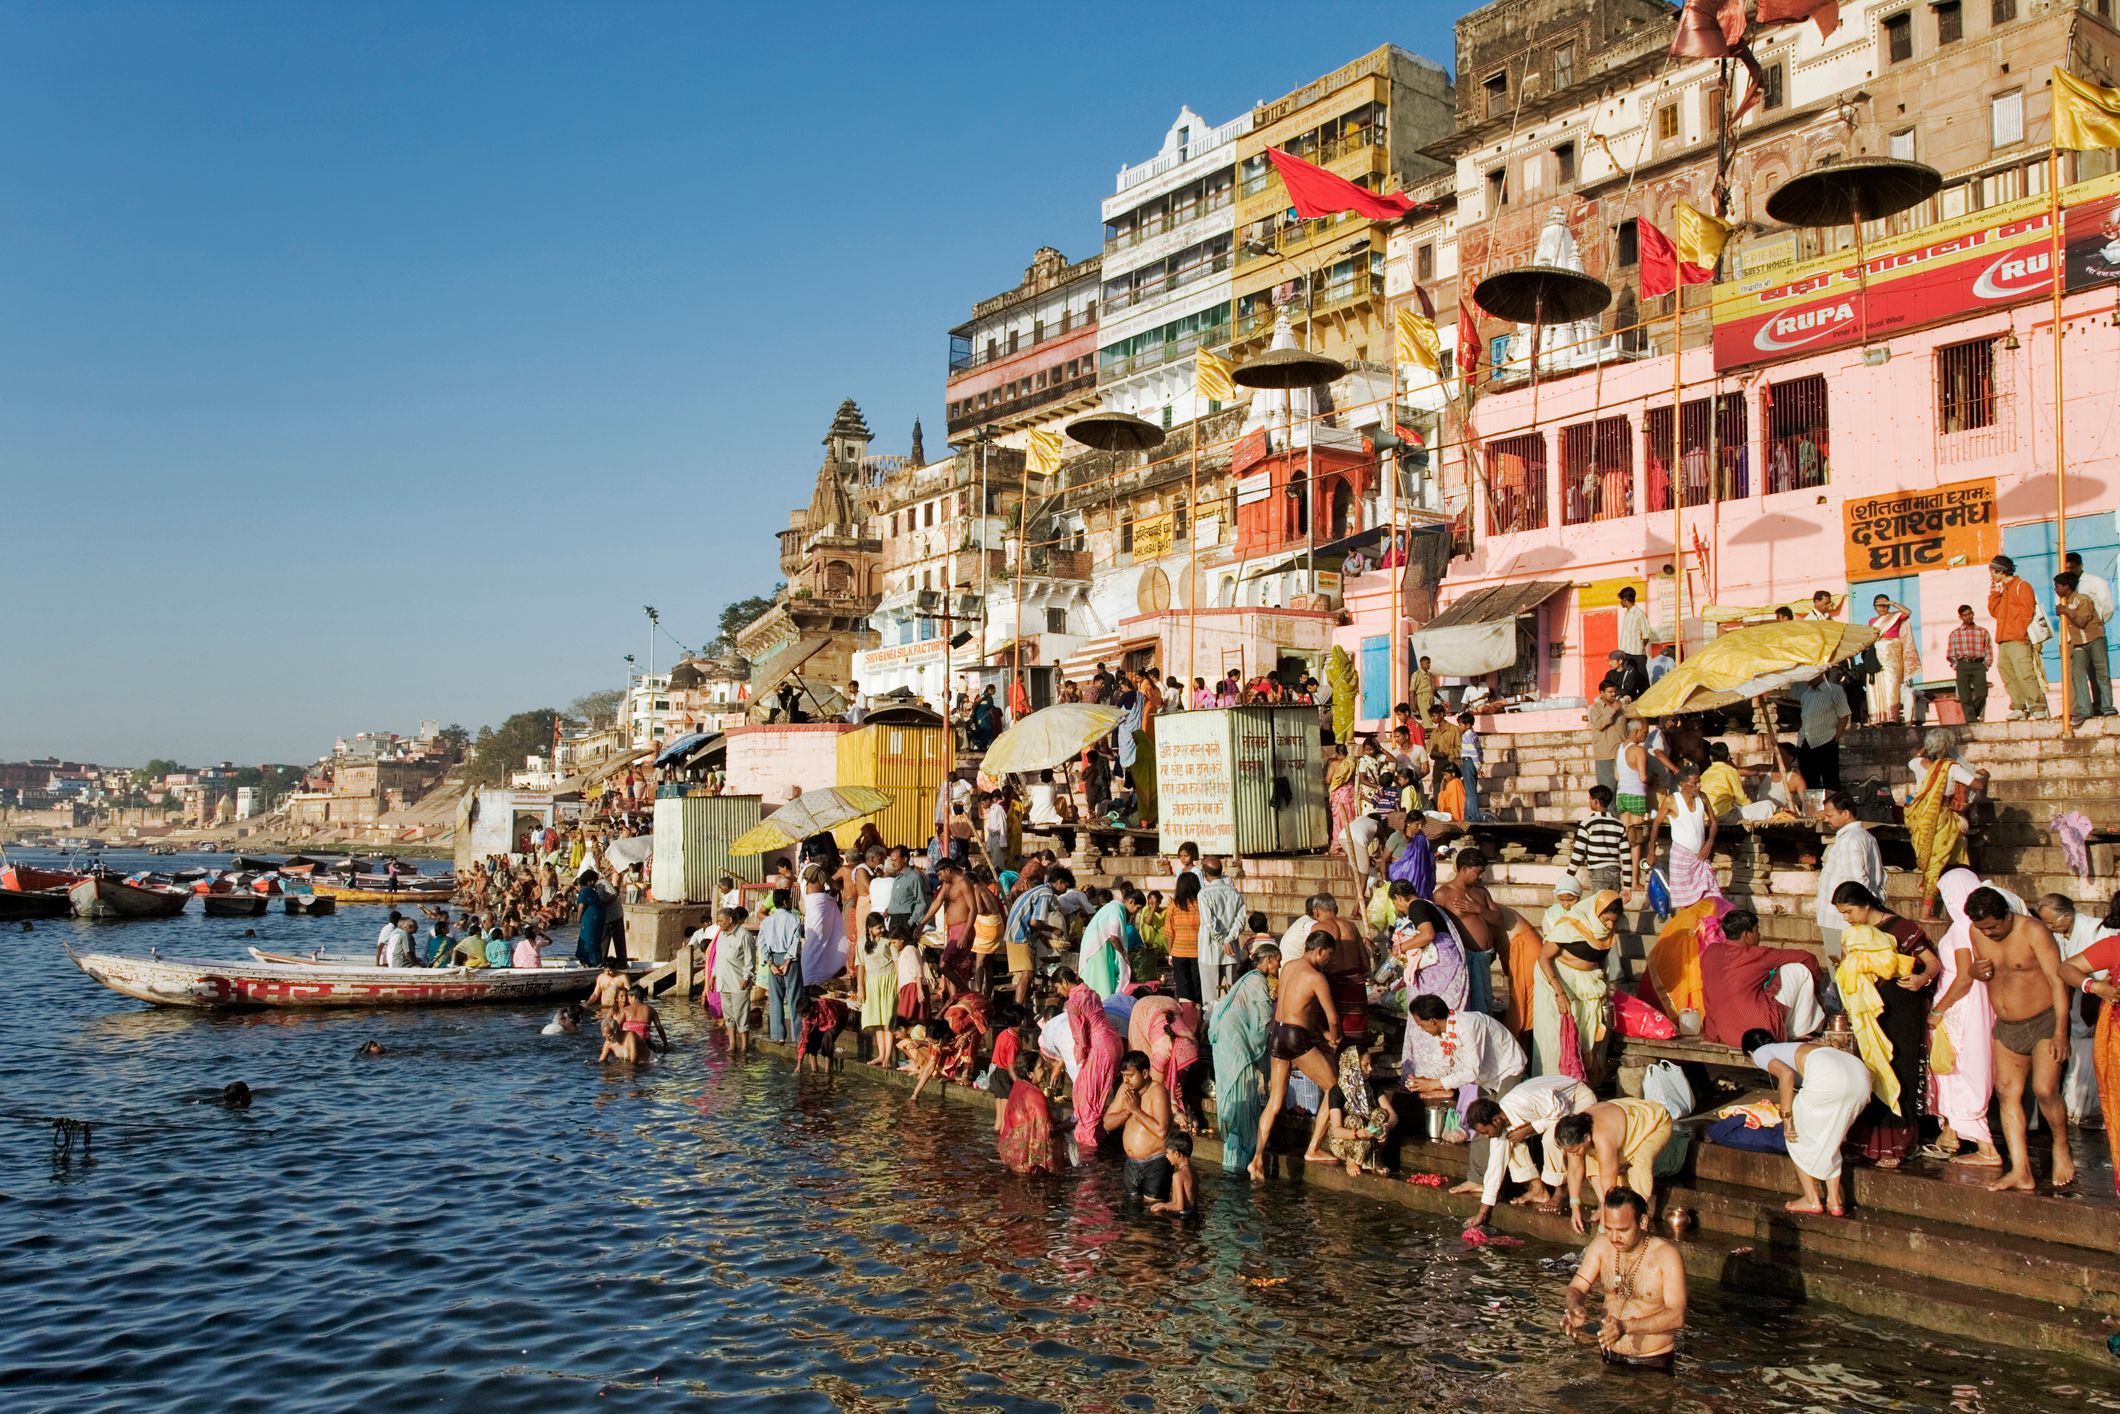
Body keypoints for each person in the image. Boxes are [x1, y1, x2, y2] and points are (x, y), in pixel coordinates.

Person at [1963, 886, 2074, 1192]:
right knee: (2006, 1092)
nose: (1990, 933)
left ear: (2006, 916)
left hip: (2044, 1021)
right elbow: (1981, 973)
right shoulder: (1978, 932)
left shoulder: (2033, 931)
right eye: (1983, 928)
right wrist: (1976, 971)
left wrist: (2061, 1031)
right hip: (2007, 1025)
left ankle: (2061, 1145)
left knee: (2044, 1089)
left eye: (1994, 927)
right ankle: (2020, 1169)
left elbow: (2057, 982)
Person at [1831, 883, 1939, 1166]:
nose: (1847, 918)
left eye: (1849, 911)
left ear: (1866, 904)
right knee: (1868, 1070)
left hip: (1901, 1010)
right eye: (1842, 914)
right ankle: (1864, 1140)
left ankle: (1897, 1143)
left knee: (1898, 1068)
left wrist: (1922, 979)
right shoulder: (1852, 934)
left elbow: (1931, 962)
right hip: (1867, 1013)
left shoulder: (1901, 927)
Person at [1401, 993, 1526, 1196]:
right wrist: (1423, 1079)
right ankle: (1477, 1179)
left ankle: (1501, 1184)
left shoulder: (1469, 1025)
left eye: (1421, 1024)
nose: (1421, 1029)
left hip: (1507, 1070)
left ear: (1432, 1020)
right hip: (1488, 1078)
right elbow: (1443, 1065)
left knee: (1499, 1125)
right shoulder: (1444, 1033)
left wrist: (1434, 1083)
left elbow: (1471, 1071)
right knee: (1478, 1122)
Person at [1744, 1029, 1873, 1216]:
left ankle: (1812, 1199)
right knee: (1832, 1136)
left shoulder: (1760, 1052)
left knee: (1795, 1135)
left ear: (1748, 1052)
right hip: (1861, 1079)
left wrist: (1786, 1117)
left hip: (1831, 1080)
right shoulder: (1793, 1047)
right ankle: (1834, 1201)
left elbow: (1786, 1075)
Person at [1248, 930, 1341, 1183]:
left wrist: (1321, 1031)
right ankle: (1313, 1149)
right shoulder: (1316, 977)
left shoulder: (1287, 967)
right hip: (1295, 1037)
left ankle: (1256, 1158)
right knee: (1334, 1088)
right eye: (1329, 956)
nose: (1329, 962)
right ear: (1319, 951)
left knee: (1275, 1101)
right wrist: (1335, 1035)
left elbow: (1301, 1008)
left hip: (1277, 1034)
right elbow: (1332, 1016)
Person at [1926, 869, 2005, 1166]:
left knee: (1957, 1071)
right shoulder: (1980, 928)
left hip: (1959, 1006)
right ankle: (1951, 1134)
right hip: (1976, 1005)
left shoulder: (1962, 928)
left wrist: (1937, 1011)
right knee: (1960, 1068)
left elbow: (1963, 978)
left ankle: (1987, 1150)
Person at [1562, 1187, 1687, 1371]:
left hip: (1652, 1365)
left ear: (1643, 1222)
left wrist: (1625, 1327)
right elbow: (1577, 1287)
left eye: (1622, 1230)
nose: (1614, 1237)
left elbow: (1677, 1316)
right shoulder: (1601, 1245)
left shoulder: (1666, 1256)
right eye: (1609, 1228)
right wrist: (1574, 1307)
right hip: (1607, 1355)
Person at [1460, 1074, 1596, 1231]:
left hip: (1578, 1100)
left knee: (1551, 1139)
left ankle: (1561, 1191)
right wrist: (1482, 1214)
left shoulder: (1524, 1101)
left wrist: (1529, 1129)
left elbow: (1562, 1111)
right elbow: (1495, 1168)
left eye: (1485, 1132)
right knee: (1510, 1142)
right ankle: (1538, 1189)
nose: (1486, 1136)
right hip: (1557, 1112)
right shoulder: (1500, 1126)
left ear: (1496, 1121)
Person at [1698, 907, 1823, 1048]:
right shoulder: (1754, 954)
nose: (1760, 935)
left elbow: (1708, 995)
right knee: (1797, 970)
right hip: (1761, 1033)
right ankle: (1802, 1032)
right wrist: (1818, 994)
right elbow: (1808, 958)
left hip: (1726, 1033)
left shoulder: (1710, 952)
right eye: (1757, 930)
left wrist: (1712, 1034)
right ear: (1747, 935)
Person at [2036, 892, 2110, 1128]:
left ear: (2067, 915)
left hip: (2097, 997)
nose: (2049, 927)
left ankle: (2095, 1110)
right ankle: (2077, 1109)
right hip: (2074, 1001)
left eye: (2052, 923)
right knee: (2078, 1053)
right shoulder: (2055, 936)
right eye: (2045, 923)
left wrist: (2092, 986)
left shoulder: (2095, 929)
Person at [1536, 890, 1622, 1080]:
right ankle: (1554, 1085)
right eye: (1606, 919)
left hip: (1589, 986)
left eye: (1614, 921)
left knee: (1588, 1040)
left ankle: (1583, 1086)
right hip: (1559, 984)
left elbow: (1602, 962)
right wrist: (1559, 993)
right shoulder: (1571, 925)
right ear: (1596, 912)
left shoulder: (1606, 931)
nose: (1609, 925)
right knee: (1559, 1039)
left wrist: (1605, 987)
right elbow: (1544, 957)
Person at [1553, 1100, 1673, 1233]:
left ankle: (1634, 1213)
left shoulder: (1603, 1138)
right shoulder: (1572, 1135)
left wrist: (1604, 1229)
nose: (1575, 1155)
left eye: (1576, 1150)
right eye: (1572, 1152)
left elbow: (1609, 1186)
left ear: (1586, 1138)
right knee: (1590, 1159)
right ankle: (1609, 1209)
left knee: (1641, 1162)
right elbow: (1575, 1171)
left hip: (1655, 1123)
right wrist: (1575, 1208)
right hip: (1620, 1125)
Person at [1210, 943, 1278, 1175]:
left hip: (1225, 1041)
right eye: (1277, 961)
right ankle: (1240, 1157)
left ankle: (1234, 1154)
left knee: (1231, 1094)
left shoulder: (1247, 979)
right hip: (1235, 1043)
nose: (1278, 966)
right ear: (1268, 960)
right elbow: (1264, 1019)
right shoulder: (1258, 981)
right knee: (1241, 1092)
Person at [1903, 727, 1982, 915]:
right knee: (1935, 863)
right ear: (1947, 747)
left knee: (1941, 855)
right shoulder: (1951, 768)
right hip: (1941, 818)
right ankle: (1926, 913)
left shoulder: (1917, 763)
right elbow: (1978, 784)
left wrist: (1928, 745)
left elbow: (1916, 755)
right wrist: (1984, 775)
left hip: (1921, 817)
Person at [1304, 1043, 1397, 1176]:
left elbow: (1393, 1114)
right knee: (1354, 1119)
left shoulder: (1372, 1085)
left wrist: (1387, 1126)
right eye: (1365, 1066)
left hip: (1369, 1136)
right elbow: (1337, 1130)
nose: (1370, 1069)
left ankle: (1375, 1159)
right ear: (1353, 1067)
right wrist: (1359, 1133)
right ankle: (1351, 1160)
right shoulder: (1337, 1091)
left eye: (1370, 1064)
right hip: (1346, 1141)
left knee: (1381, 1113)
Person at [1813, 792, 1881, 963]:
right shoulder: (1865, 837)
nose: (1827, 820)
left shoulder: (1851, 840)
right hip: (1844, 918)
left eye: (1830, 815)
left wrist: (1855, 918)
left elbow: (1856, 882)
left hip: (1842, 921)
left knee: (1844, 972)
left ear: (1846, 814)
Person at [1105, 1049, 1174, 1201]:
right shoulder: (1125, 1090)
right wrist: (1127, 1112)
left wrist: (1136, 1110)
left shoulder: (1158, 1091)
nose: (1126, 1081)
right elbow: (1107, 1124)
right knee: (1131, 1212)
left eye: (1130, 1076)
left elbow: (1162, 1131)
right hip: (1131, 1165)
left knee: (1153, 1215)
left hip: (1156, 1163)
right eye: (1123, 1076)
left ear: (1144, 1073)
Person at [1068, 983, 1126, 1157]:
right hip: (1114, 1040)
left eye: (1057, 987)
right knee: (1097, 1095)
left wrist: (1081, 1058)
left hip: (1100, 1046)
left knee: (1089, 1097)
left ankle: (1088, 1145)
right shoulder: (1092, 993)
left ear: (1063, 983)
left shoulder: (1073, 1001)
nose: (1058, 991)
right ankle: (1096, 1135)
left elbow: (1079, 1037)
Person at [1987, 555, 2049, 720]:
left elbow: (2027, 611)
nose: (1991, 575)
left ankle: (2037, 707)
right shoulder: (2004, 590)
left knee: (2024, 673)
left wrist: (2019, 631)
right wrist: (1994, 593)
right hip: (2004, 640)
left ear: (2001, 571)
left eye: (1992, 572)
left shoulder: (2022, 586)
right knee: (2007, 673)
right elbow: (1995, 612)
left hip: (2018, 639)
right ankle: (2019, 706)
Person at [2055, 570, 2114, 722]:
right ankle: (2084, 709)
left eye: (2057, 586)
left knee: (2102, 673)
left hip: (2095, 639)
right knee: (2078, 675)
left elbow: (2081, 622)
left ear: (2066, 587)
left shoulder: (2083, 599)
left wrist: (2066, 611)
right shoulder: (2066, 603)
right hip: (2079, 643)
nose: (2055, 589)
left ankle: (2107, 707)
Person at [1662, 769, 1718, 910]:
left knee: (1709, 897)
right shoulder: (1671, 800)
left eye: (1699, 782)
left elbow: (1714, 822)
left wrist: (1709, 843)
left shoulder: (1703, 797)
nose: (1699, 785)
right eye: (1695, 782)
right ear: (1683, 784)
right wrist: (1650, 852)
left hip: (1700, 857)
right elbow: (1656, 825)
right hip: (1680, 857)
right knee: (1683, 904)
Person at [994, 1055, 1057, 1175]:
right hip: (1024, 1160)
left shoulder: (1018, 1086)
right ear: (1029, 1074)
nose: (1045, 1070)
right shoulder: (1035, 1095)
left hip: (1008, 1153)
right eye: (1041, 1067)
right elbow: (1047, 1130)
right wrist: (1067, 1127)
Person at [1196, 857, 1246, 1010]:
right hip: (1230, 949)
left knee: (1210, 998)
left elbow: (1209, 922)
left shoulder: (1204, 894)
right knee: (1231, 993)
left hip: (1210, 949)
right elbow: (1240, 921)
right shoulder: (1235, 893)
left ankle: (1210, 1026)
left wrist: (1223, 940)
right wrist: (1228, 939)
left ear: (1205, 874)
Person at [756, 888, 804, 1044]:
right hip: (790, 960)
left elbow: (762, 944)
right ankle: (798, 1036)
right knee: (794, 997)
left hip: (774, 959)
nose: (791, 902)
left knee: (775, 998)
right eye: (789, 899)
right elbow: (795, 942)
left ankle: (778, 1036)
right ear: (785, 902)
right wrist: (787, 962)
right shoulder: (794, 919)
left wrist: (770, 964)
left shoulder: (767, 921)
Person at [1613, 721, 1652, 897]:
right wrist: (1653, 779)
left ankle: (1625, 880)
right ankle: (1635, 881)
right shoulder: (1639, 751)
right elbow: (1643, 777)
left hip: (1621, 795)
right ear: (1636, 732)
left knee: (1626, 838)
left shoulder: (1620, 749)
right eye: (1644, 732)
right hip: (1637, 795)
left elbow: (1616, 775)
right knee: (1636, 841)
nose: (1646, 735)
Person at [713, 905, 758, 1056]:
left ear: (729, 920)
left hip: (738, 981)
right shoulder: (721, 935)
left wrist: (747, 977)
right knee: (728, 1015)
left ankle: (744, 1046)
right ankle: (732, 1044)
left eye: (720, 920)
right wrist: (713, 976)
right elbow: (718, 959)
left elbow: (750, 959)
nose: (718, 923)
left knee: (741, 1014)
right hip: (723, 980)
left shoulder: (744, 935)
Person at [1794, 673, 1850, 793]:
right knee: (1809, 782)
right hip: (1805, 741)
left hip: (1826, 739)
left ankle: (1833, 809)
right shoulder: (1805, 695)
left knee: (1831, 781)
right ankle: (1814, 810)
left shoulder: (1835, 690)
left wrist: (1835, 739)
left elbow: (1844, 715)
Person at [1568, 785, 1628, 898]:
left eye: (1590, 798)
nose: (1589, 800)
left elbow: (1578, 853)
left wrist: (1569, 876)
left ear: (1595, 802)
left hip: (1598, 873)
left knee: (1598, 910)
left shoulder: (1587, 823)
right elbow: (1626, 857)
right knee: (1613, 908)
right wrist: (1627, 886)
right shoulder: (1619, 824)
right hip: (1615, 872)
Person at [1079, 887, 1137, 998]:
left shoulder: (1114, 906)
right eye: (1137, 908)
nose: (1136, 912)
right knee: (1101, 984)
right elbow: (1114, 937)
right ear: (1131, 902)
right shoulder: (1117, 909)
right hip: (1098, 949)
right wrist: (1125, 955)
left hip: (1098, 946)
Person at [1867, 594, 1913, 723]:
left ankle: (1893, 717)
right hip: (1878, 653)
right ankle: (1880, 717)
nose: (1881, 608)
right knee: (1879, 684)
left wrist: (1892, 603)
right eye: (1878, 605)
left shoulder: (1895, 616)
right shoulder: (1872, 621)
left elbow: (1908, 612)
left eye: (1884, 605)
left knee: (1892, 684)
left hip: (1892, 651)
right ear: (1874, 607)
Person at [1945, 603, 1994, 724]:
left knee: (1982, 693)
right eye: (1965, 615)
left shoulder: (1983, 631)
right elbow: (1951, 653)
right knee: (1964, 695)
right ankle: (1971, 720)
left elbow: (1988, 649)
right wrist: (1957, 666)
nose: (1968, 617)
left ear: (1973, 614)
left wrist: (1986, 665)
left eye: (1970, 614)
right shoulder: (1955, 633)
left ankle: (1974, 712)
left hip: (1978, 665)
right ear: (1960, 617)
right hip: (1963, 665)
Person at [1165, 871, 1203, 1004]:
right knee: (1198, 988)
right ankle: (1200, 1017)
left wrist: (1170, 953)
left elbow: (1169, 933)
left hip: (1178, 953)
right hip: (1199, 953)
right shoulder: (1201, 905)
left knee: (1183, 990)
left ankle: (1187, 1017)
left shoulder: (1173, 905)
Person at [1149, 1130, 1197, 1216]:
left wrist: (1162, 1205)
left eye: (1167, 1153)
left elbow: (1179, 1206)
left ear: (1176, 1154)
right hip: (1192, 1214)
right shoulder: (1193, 1170)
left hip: (1181, 1217)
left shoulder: (1178, 1176)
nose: (1166, 1155)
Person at [1616, 586, 1652, 687]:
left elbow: (1646, 634)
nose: (1620, 602)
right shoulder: (1627, 614)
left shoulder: (1638, 614)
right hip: (1625, 654)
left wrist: (1640, 646)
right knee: (1629, 681)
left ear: (1625, 600)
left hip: (1637, 654)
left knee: (1642, 681)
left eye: (1621, 600)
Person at [575, 871, 609, 968]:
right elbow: (582, 906)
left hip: (593, 920)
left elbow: (582, 906)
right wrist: (579, 918)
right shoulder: (588, 891)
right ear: (589, 881)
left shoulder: (587, 891)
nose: (595, 883)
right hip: (593, 920)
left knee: (590, 938)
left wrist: (578, 918)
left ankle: (592, 961)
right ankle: (593, 961)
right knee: (591, 938)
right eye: (593, 881)